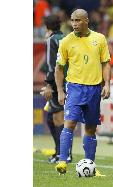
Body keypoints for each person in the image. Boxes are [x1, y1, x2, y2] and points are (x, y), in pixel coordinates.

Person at [54, 9, 111, 176]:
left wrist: (106, 84)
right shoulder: (65, 41)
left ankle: (91, 166)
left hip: (94, 89)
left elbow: (105, 63)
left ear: (86, 20)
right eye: (72, 20)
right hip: (75, 88)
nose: (74, 24)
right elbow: (59, 68)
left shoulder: (99, 38)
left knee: (91, 129)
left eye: (78, 20)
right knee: (70, 124)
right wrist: (59, 90)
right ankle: (62, 161)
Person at [40, 14, 72, 164]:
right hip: (71, 81)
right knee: (51, 119)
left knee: (57, 119)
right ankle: (59, 151)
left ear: (47, 27)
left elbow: (52, 65)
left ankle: (64, 154)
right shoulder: (66, 38)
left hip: (57, 84)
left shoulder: (51, 40)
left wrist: (48, 85)